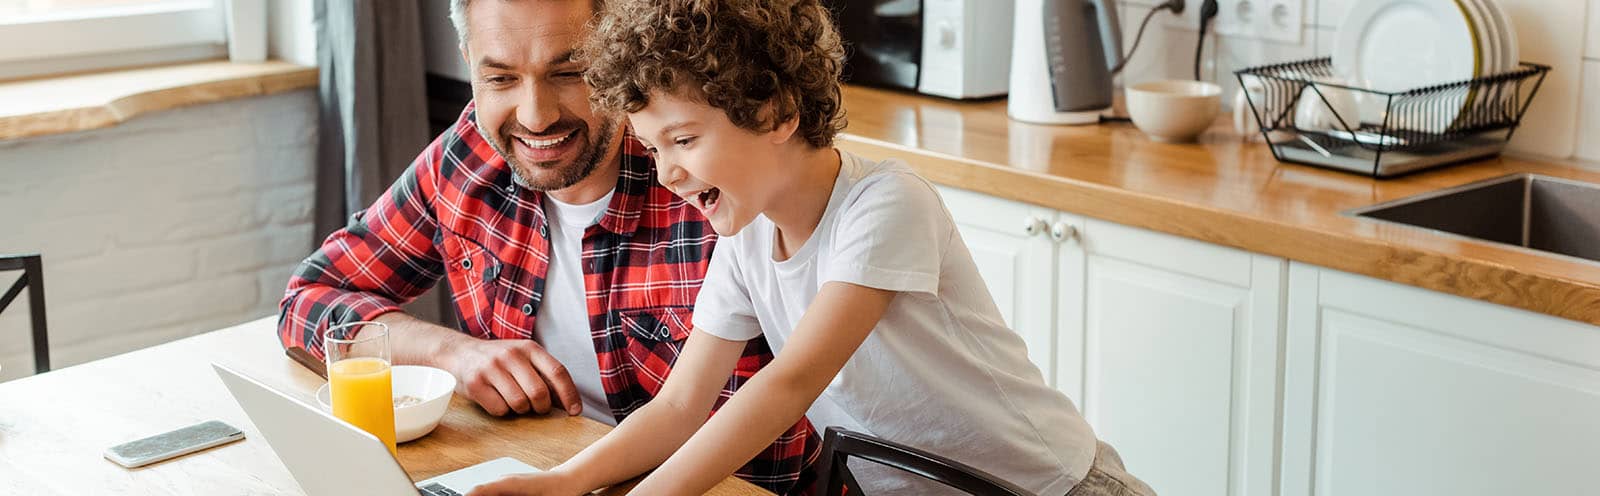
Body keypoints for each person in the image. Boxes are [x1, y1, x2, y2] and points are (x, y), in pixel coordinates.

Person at [470, 0, 1157, 495]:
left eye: (683, 140)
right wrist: (563, 482)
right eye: (652, 149)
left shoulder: (885, 206)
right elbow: (681, 406)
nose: (667, 172)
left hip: (1053, 486)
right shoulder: (746, 238)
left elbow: (790, 382)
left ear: (775, 113)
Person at [275, 0, 815, 492]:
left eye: (570, 72)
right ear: (469, 63)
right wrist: (454, 354)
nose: (535, 116)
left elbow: (771, 456)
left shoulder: (712, 181)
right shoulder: (467, 160)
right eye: (500, 78)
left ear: (625, 57)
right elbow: (310, 298)